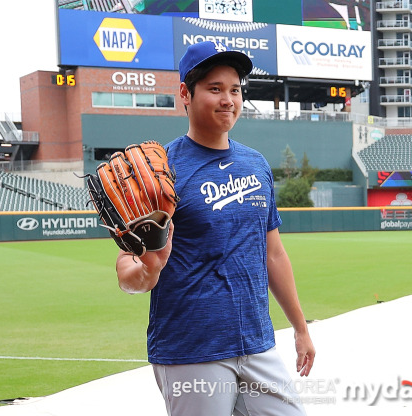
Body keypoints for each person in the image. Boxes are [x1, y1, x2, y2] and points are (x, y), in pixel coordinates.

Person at [115, 40, 315, 416]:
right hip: (192, 350)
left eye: (236, 90)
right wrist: (149, 269)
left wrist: (300, 329)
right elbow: (126, 270)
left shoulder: (256, 165)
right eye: (215, 89)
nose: (229, 99)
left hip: (257, 343)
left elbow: (273, 253)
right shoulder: (160, 172)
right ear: (184, 95)